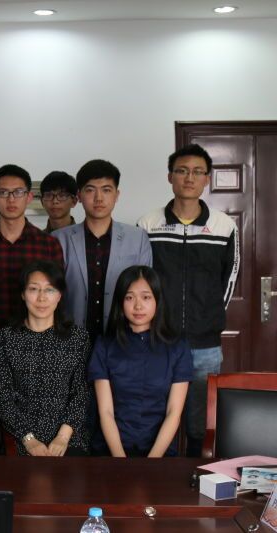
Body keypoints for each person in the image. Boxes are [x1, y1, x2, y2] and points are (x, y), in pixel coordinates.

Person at [137, 143, 239, 457]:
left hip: (204, 343)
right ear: (170, 176)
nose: (189, 178)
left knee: (199, 422)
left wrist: (208, 317)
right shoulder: (149, 224)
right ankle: (156, 474)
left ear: (207, 178)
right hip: (158, 338)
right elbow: (141, 279)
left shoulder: (223, 226)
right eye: (181, 171)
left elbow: (229, 278)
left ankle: (194, 472)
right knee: (155, 415)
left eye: (197, 172)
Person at [88, 266, 193, 457]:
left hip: (160, 453)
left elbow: (174, 412)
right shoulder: (104, 345)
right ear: (120, 301)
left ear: (157, 300)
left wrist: (151, 462)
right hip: (111, 452)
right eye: (129, 298)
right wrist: (121, 461)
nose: (138, 306)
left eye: (146, 297)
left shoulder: (178, 347)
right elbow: (106, 412)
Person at [0, 260, 92, 456]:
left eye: (50, 290)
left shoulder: (78, 338)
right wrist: (29, 441)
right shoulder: (5, 339)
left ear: (59, 295)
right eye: (34, 289)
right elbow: (4, 399)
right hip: (21, 438)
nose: (42, 298)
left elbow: (81, 393)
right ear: (23, 294)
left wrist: (62, 437)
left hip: (69, 438)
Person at [0, 164, 64, 354]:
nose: (11, 199)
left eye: (18, 192)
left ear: (29, 197)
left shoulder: (48, 245)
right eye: (3, 193)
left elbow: (57, 296)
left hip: (38, 349)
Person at [53, 159, 152, 341]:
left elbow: (146, 291)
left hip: (122, 339)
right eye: (90, 190)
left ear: (117, 195)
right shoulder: (59, 240)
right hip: (70, 339)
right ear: (79, 195)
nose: (99, 198)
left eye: (106, 190)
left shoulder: (138, 238)